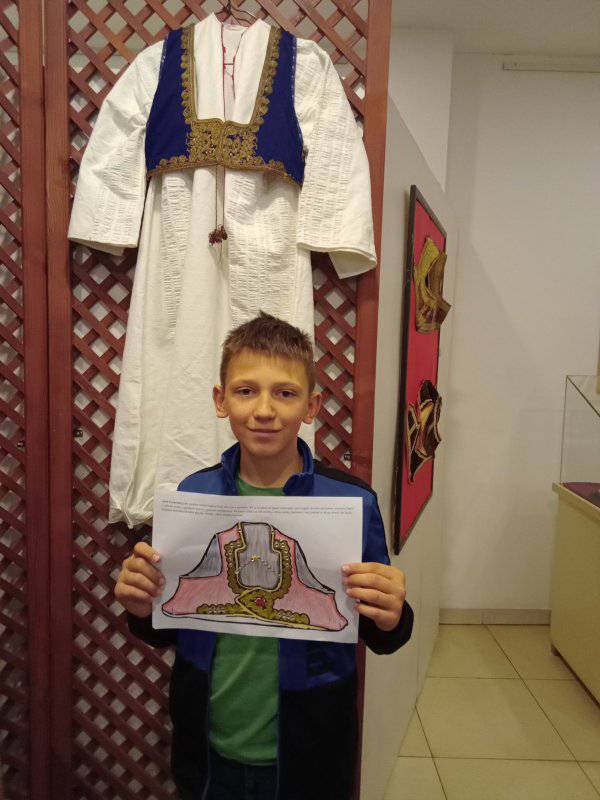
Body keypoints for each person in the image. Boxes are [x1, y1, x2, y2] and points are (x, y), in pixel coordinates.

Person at [115, 312, 414, 800]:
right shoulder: (193, 496)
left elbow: (382, 634)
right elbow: (168, 622)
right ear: (221, 400)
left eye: (285, 393)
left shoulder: (351, 503)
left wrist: (394, 614)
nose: (264, 410)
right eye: (246, 390)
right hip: (207, 747)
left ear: (311, 406)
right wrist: (140, 606)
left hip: (312, 751)